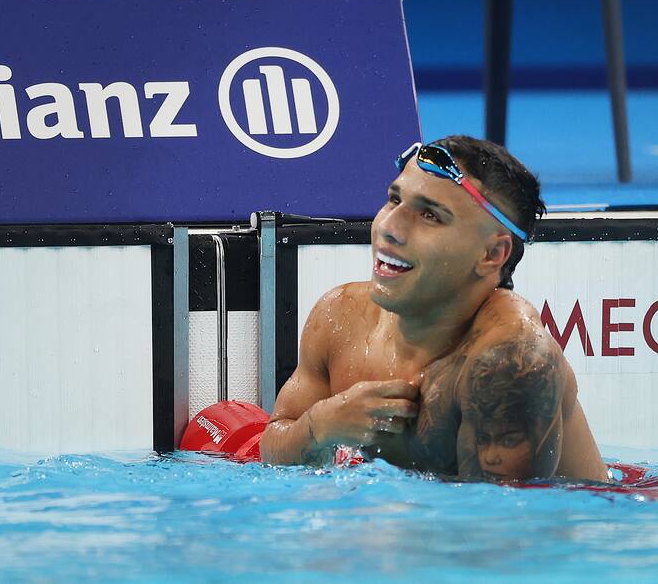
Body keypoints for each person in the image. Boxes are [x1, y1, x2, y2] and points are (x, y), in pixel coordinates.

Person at [260, 135, 607, 482]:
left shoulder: (509, 363)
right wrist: (320, 426)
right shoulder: (341, 316)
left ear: (492, 254)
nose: (389, 227)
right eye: (394, 199)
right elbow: (273, 448)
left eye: (430, 215)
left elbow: (504, 514)